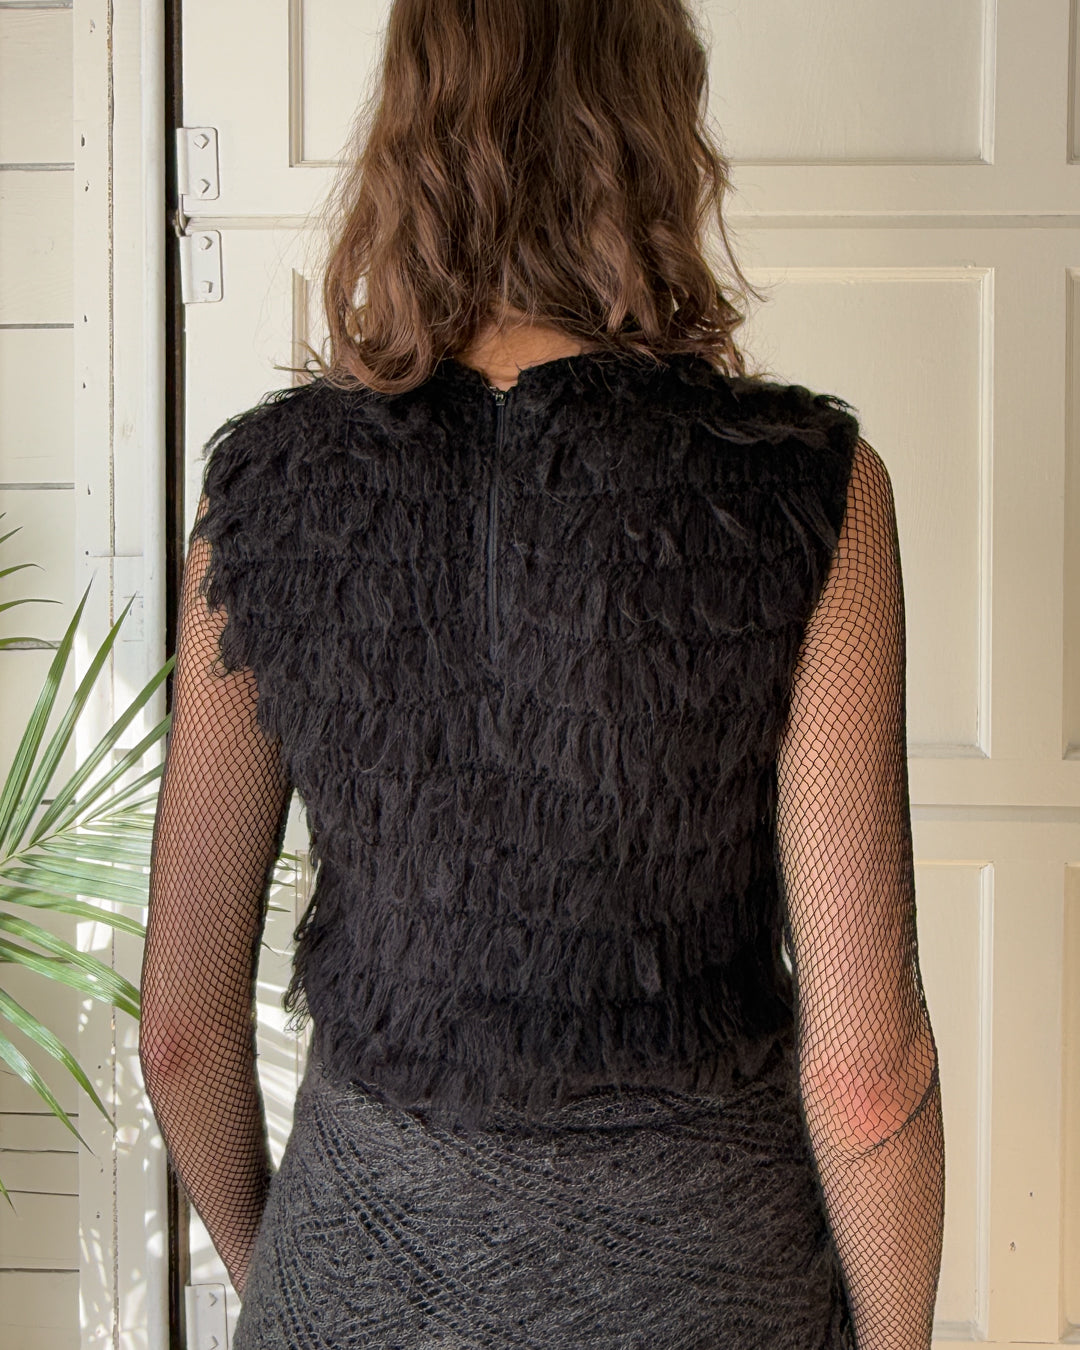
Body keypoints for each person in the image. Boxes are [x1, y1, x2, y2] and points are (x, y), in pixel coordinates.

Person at [138, 1, 945, 1347]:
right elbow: (870, 1076)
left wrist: (293, 1276)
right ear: (654, 132)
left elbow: (178, 1030)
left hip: (350, 1281)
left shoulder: (264, 494)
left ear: (411, 130)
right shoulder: (811, 492)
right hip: (710, 1290)